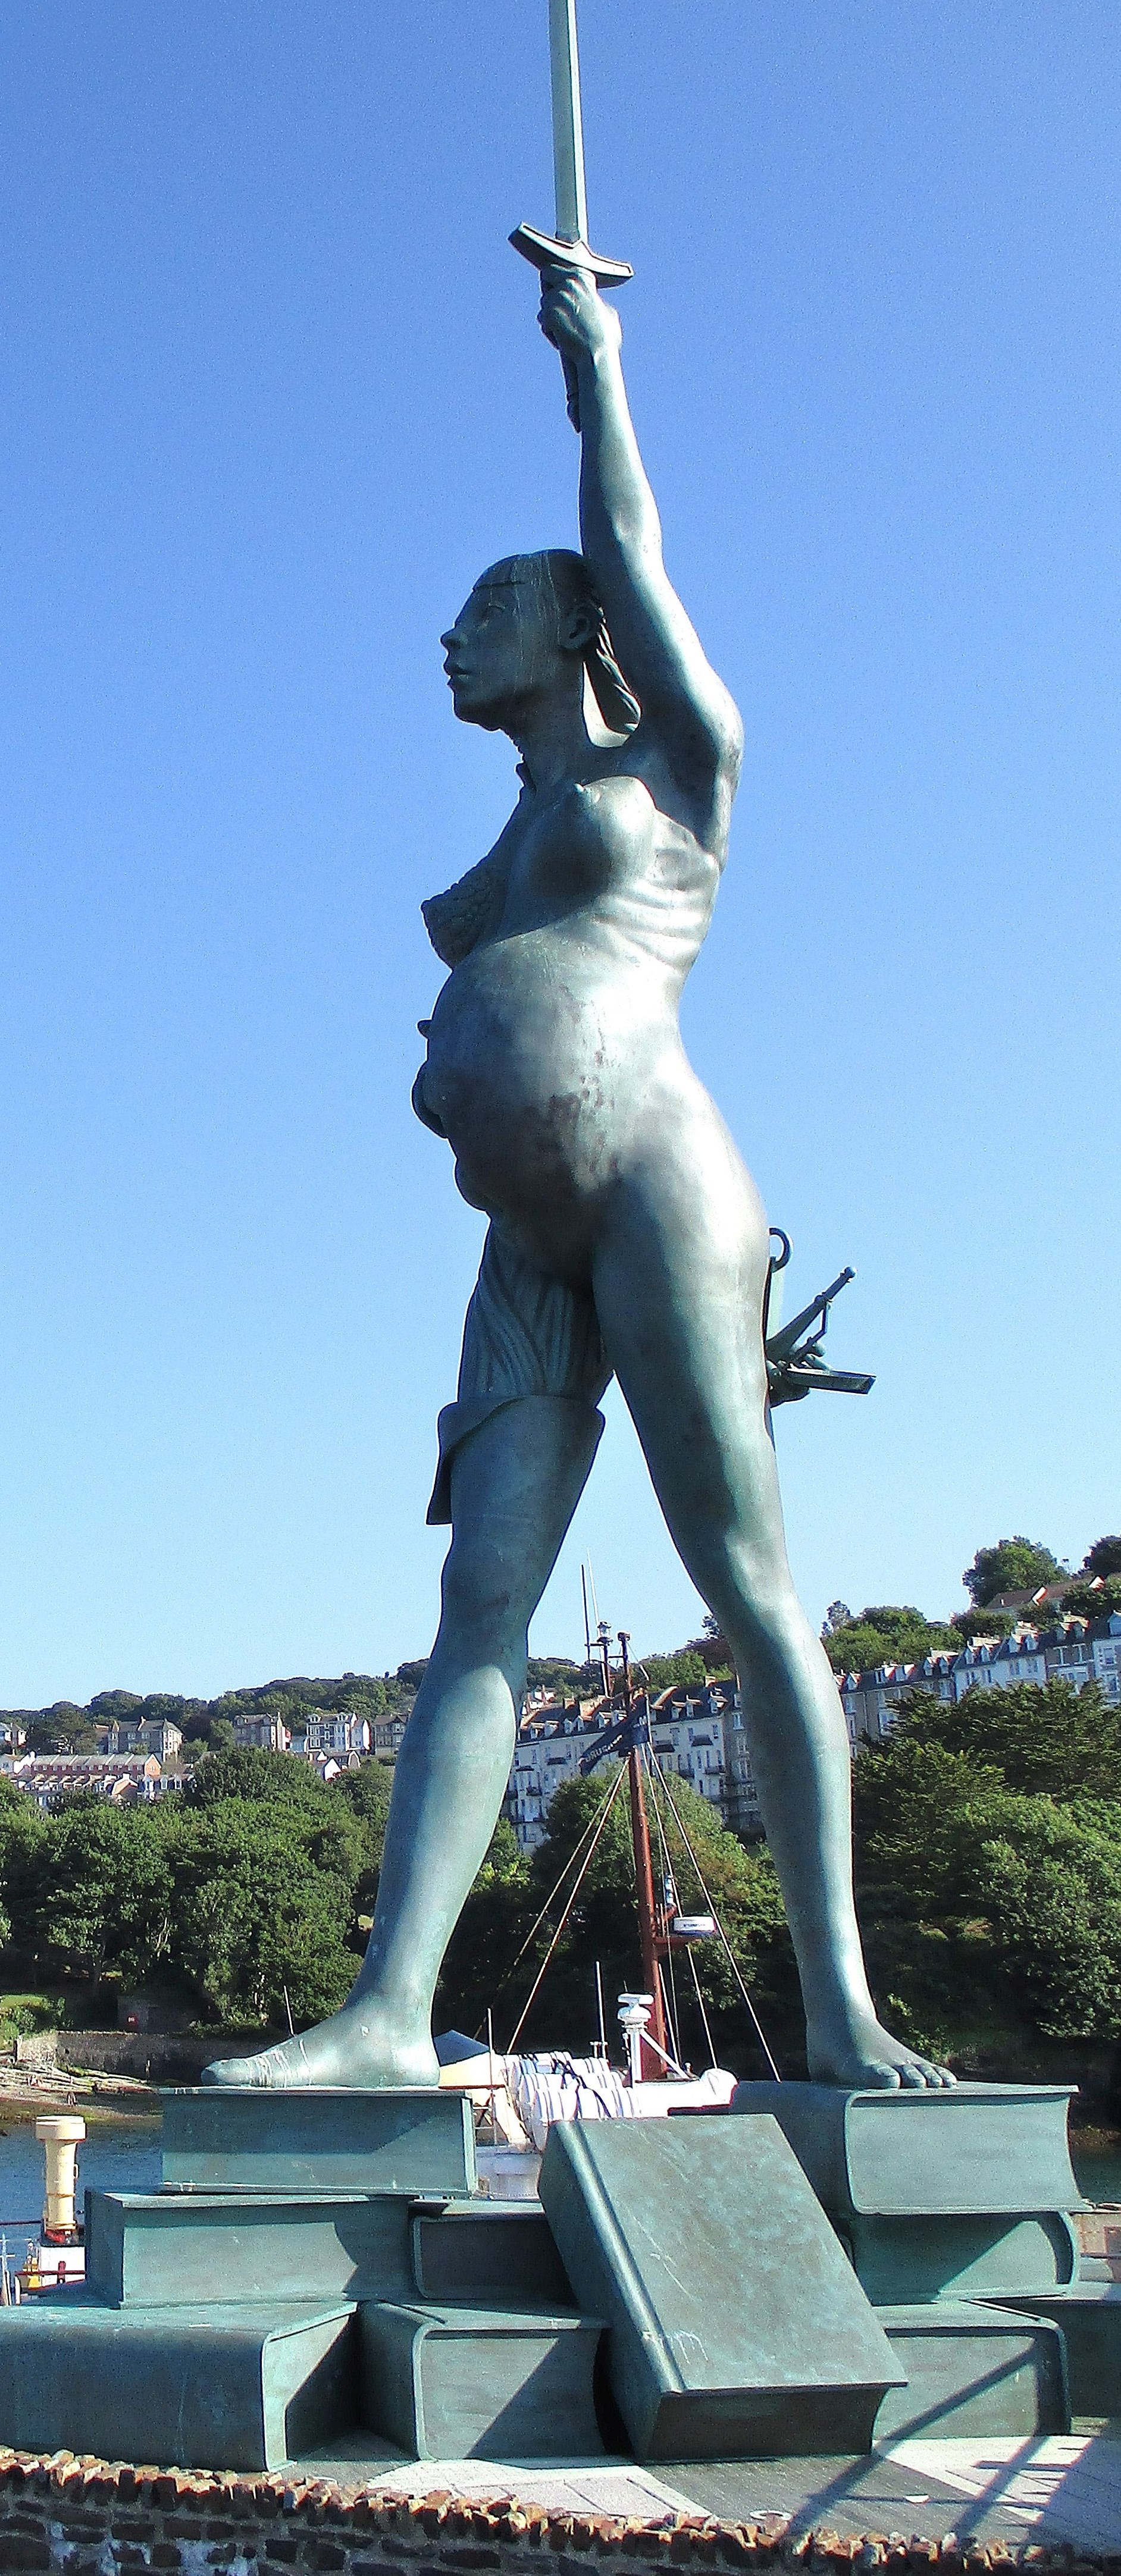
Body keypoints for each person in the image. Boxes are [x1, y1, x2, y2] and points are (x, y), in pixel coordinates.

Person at [203, 271, 951, 2092]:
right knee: (479, 1609)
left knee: (750, 1591)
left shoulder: (677, 769)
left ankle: (844, 2013)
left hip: (658, 1194)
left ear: (569, 625)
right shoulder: (509, 828)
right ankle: (388, 2013)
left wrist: (594, 368)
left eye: (482, 610)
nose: (448, 638)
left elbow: (628, 537)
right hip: (521, 1246)